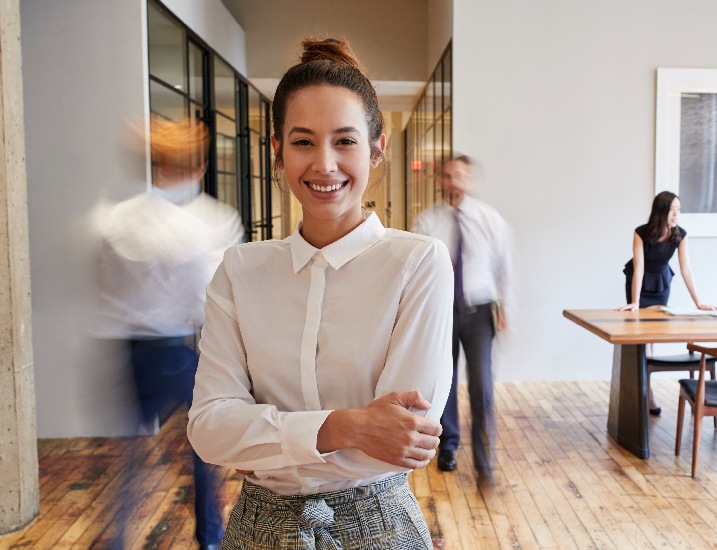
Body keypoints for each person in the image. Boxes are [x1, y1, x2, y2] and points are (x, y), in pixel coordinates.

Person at [187, 38, 453, 548]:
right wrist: (348, 425)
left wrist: (265, 438)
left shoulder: (418, 262)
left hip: (379, 526)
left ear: (376, 151)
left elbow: (403, 440)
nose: (324, 164)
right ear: (277, 153)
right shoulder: (240, 270)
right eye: (304, 141)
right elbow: (209, 429)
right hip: (257, 530)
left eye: (345, 141)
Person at [98, 116, 243, 549]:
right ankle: (211, 538)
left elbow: (105, 287)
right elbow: (209, 300)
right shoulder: (210, 224)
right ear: (200, 167)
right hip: (180, 349)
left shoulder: (116, 219)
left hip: (127, 351)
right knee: (203, 449)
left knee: (127, 458)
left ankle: (118, 538)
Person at [412, 155, 513, 484]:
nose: (454, 182)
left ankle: (485, 460)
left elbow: (503, 266)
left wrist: (505, 307)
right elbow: (418, 269)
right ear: (441, 180)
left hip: (480, 311)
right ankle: (449, 447)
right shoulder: (428, 222)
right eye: (449, 176)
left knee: (482, 385)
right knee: (446, 382)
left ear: (469, 181)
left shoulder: (489, 219)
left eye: (461, 176)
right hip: (442, 312)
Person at [619, 191, 717, 414]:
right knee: (641, 338)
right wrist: (635, 302)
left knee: (652, 336)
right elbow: (640, 268)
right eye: (672, 209)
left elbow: (686, 269)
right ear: (660, 211)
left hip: (661, 283)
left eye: (679, 209)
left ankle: (646, 387)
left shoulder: (680, 235)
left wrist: (699, 302)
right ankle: (647, 391)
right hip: (639, 283)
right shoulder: (641, 232)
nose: (676, 214)